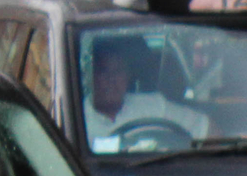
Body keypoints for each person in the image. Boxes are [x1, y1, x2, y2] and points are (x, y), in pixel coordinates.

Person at [81, 37, 209, 153]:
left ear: (128, 76)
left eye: (118, 71)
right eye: (103, 71)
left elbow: (206, 130)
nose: (111, 79)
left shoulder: (154, 105)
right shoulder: (76, 119)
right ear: (89, 76)